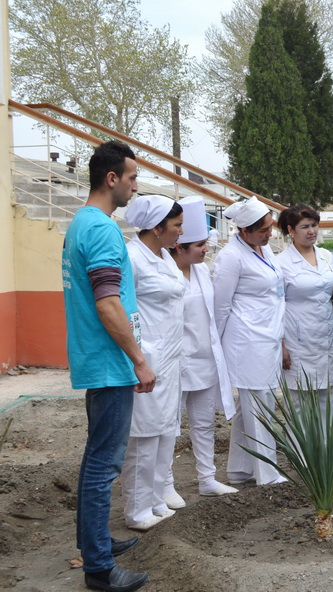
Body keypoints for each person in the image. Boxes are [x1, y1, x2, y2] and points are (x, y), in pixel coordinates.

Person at [63, 140, 152, 592]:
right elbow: (108, 303)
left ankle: (93, 541)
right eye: (132, 177)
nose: (136, 187)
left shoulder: (82, 223)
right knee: (104, 464)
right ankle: (98, 567)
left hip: (97, 359)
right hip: (110, 361)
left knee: (95, 458)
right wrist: (139, 359)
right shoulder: (99, 229)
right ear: (111, 178)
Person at [165, 196, 238, 499]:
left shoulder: (202, 272)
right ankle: (165, 483)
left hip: (205, 360)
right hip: (175, 361)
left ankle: (207, 477)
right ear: (179, 247)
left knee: (204, 423)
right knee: (169, 426)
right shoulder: (164, 272)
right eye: (199, 246)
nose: (206, 249)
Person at [121, 196, 185, 532]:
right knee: (144, 436)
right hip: (148, 358)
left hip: (171, 359)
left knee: (164, 432)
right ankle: (137, 509)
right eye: (176, 226)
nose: (181, 232)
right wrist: (138, 357)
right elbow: (122, 310)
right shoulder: (131, 259)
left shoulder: (165, 257)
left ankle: (156, 499)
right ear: (157, 227)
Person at [215, 195, 287, 487]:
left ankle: (240, 469)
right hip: (246, 341)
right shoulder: (230, 257)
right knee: (260, 406)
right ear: (243, 231)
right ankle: (266, 474)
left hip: (266, 337)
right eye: (263, 229)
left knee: (250, 408)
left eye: (270, 227)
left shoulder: (263, 250)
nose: (270, 233)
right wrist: (216, 348)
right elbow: (221, 305)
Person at [275, 203, 333, 430]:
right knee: (300, 405)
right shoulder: (281, 263)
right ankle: (303, 459)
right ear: (291, 230)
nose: (311, 231)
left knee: (331, 401)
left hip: (329, 338)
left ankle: (326, 458)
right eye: (305, 226)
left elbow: (332, 286)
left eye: (314, 225)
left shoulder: (325, 255)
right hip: (299, 340)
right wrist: (282, 344)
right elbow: (275, 306)